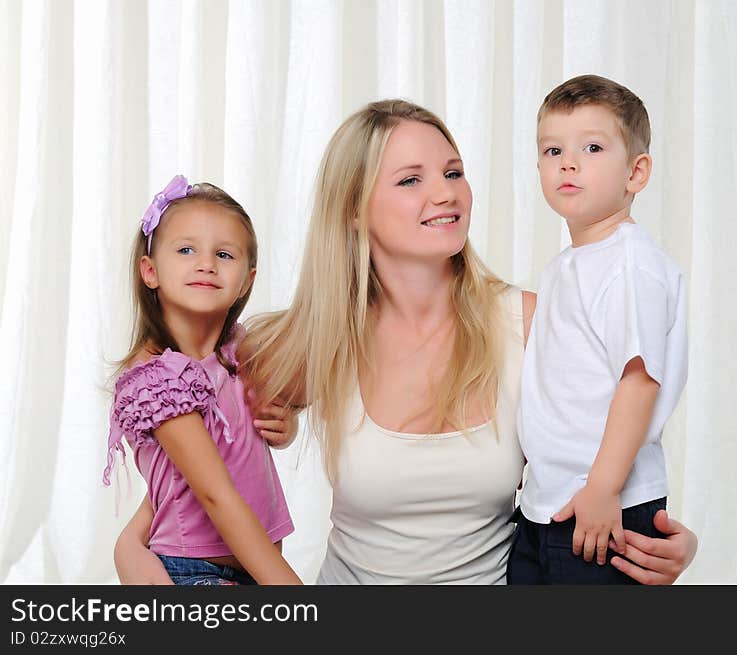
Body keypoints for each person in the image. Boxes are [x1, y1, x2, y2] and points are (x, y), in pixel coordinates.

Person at [117, 101, 697, 584]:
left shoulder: (531, 323)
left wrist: (659, 536)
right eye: (410, 180)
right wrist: (132, 544)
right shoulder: (310, 342)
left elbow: (616, 431)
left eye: (453, 171)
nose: (445, 193)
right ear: (353, 210)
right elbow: (199, 457)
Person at [507, 75, 688, 584]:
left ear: (636, 172)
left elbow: (639, 380)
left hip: (604, 504)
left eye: (592, 147)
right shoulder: (568, 265)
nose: (568, 162)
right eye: (552, 149)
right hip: (547, 502)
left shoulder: (629, 265)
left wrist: (605, 488)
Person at [104, 176, 303, 585]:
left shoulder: (236, 350)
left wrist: (287, 422)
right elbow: (215, 494)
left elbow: (290, 396)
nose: (206, 263)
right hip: (193, 573)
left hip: (249, 567)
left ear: (248, 279)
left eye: (224, 254)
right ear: (150, 270)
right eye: (186, 249)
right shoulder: (157, 381)